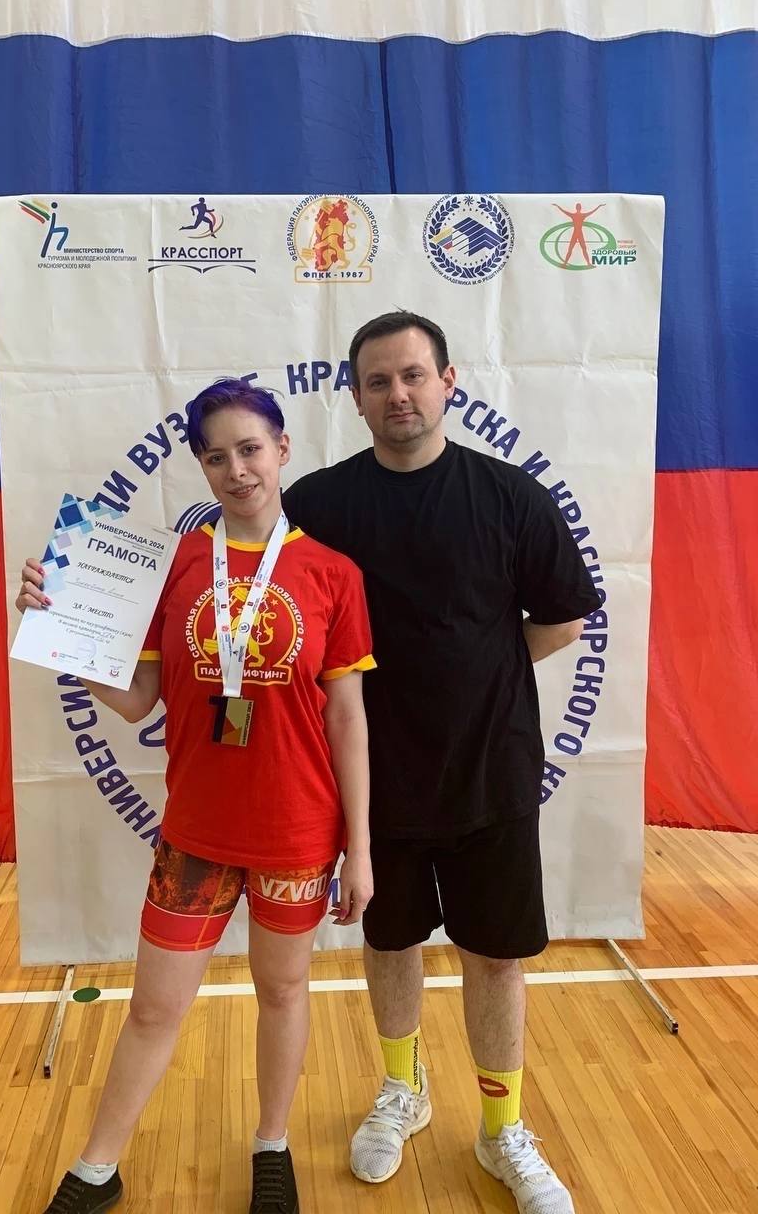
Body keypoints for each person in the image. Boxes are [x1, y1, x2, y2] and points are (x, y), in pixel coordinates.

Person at [17, 378, 375, 1214]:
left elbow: (348, 717)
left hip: (297, 832)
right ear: (203, 469)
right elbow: (137, 700)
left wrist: (359, 848)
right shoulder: (171, 566)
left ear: (282, 449)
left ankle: (272, 1147)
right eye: (217, 457)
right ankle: (97, 1168)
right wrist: (62, 632)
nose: (236, 470)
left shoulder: (333, 574)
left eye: (250, 449)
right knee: (153, 1009)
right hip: (196, 834)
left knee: (282, 992)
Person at [281, 311, 602, 1214]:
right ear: (355, 398)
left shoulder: (510, 496)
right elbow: (262, 610)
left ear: (449, 381)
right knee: (390, 942)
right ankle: (402, 1089)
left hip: (490, 772)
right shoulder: (317, 506)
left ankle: (503, 1129)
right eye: (378, 381)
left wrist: (478, 670)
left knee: (495, 956)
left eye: (414, 375)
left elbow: (562, 617)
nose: (399, 395)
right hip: (372, 783)